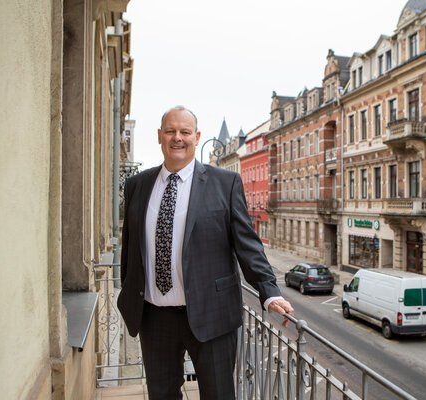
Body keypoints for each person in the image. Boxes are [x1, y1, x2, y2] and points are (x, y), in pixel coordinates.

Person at [117, 106, 294, 399]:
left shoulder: (224, 183)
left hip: (212, 315)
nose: (177, 138)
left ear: (197, 137)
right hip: (154, 317)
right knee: (160, 395)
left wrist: (269, 290)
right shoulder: (138, 185)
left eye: (185, 132)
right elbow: (130, 248)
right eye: (170, 131)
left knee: (218, 394)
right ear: (159, 136)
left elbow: (247, 245)